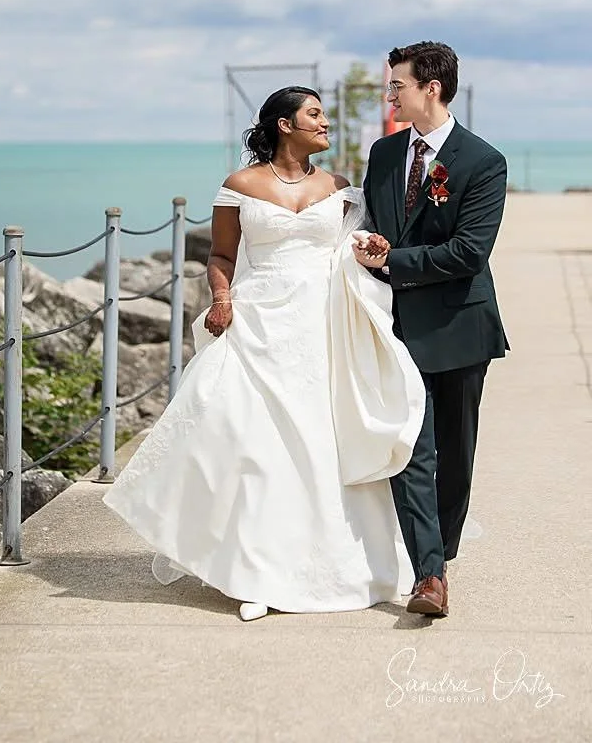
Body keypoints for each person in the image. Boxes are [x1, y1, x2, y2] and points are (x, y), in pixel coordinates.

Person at [104, 86, 425, 621]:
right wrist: (223, 298)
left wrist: (366, 253)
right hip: (260, 322)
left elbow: (352, 248)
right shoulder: (239, 187)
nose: (326, 124)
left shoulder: (341, 188)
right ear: (284, 124)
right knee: (256, 445)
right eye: (315, 115)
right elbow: (222, 256)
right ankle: (257, 572)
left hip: (325, 324)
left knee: (323, 444)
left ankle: (345, 562)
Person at [353, 42, 509, 618]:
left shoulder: (483, 162)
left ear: (431, 89)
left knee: (456, 453)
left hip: (461, 326)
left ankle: (441, 549)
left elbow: (469, 252)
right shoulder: (385, 153)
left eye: (397, 85)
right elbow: (377, 223)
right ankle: (430, 575)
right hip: (396, 329)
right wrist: (370, 247)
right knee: (412, 448)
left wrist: (392, 259)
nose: (389, 95)